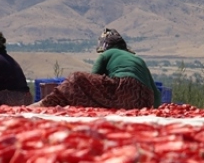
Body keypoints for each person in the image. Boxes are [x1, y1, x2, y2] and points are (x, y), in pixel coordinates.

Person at [31, 28, 159, 109]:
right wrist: (153, 108)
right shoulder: (138, 60)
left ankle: (46, 104)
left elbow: (92, 80)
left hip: (123, 91)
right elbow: (156, 93)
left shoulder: (107, 54)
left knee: (77, 78)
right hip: (145, 100)